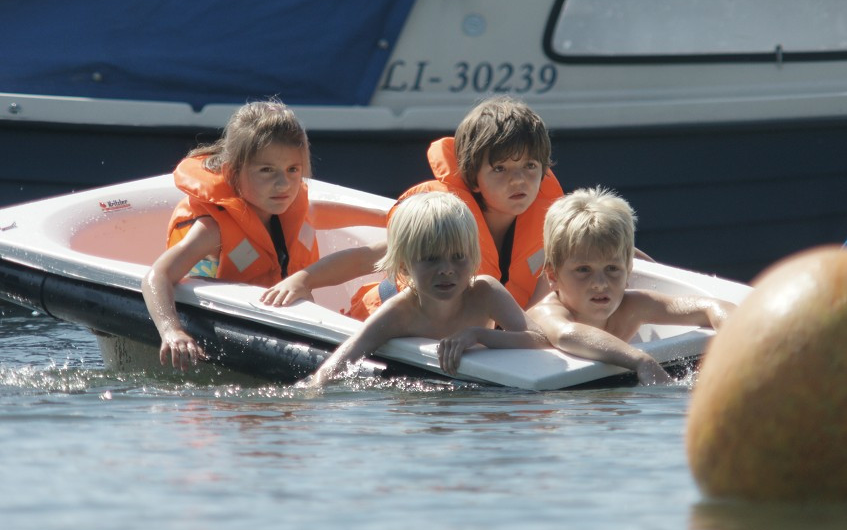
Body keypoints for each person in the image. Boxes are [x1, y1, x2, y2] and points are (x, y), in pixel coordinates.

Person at [142, 99, 385, 370]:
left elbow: (324, 213)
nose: (283, 184)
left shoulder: (287, 208)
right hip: (229, 329)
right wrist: (171, 330)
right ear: (232, 173)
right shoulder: (212, 229)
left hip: (286, 329)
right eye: (266, 171)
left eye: (293, 170)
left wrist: (391, 216)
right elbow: (157, 276)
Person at [329, 95, 564, 319]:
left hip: (479, 335)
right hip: (389, 324)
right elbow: (368, 257)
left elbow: (542, 302)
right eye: (500, 168)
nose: (518, 180)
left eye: (530, 165)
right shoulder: (443, 218)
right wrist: (305, 281)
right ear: (473, 178)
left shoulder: (552, 226)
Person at [308, 192, 546, 386]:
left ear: (474, 259)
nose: (447, 270)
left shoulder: (485, 293)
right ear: (404, 265)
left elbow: (540, 340)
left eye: (458, 257)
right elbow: (336, 365)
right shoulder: (399, 313)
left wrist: (478, 334)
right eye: (431, 259)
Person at [527, 187, 734, 385]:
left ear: (628, 272)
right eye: (583, 270)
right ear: (553, 275)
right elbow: (567, 334)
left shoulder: (632, 307)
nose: (600, 284)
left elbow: (709, 307)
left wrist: (739, 340)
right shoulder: (547, 313)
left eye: (612, 269)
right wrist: (640, 360)